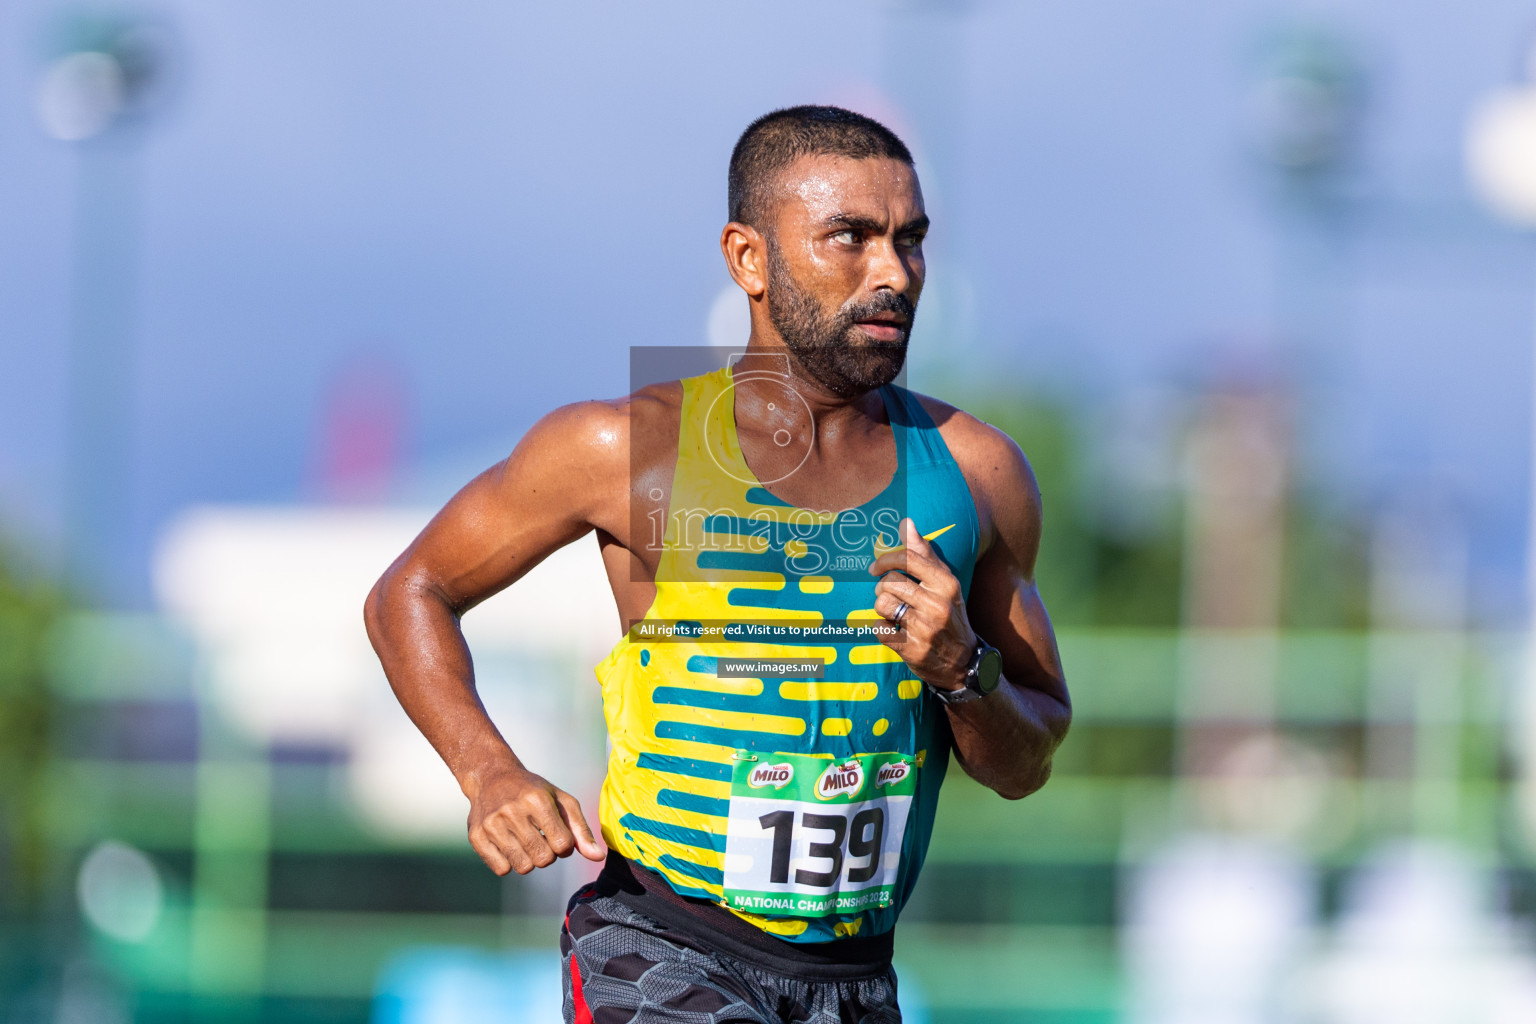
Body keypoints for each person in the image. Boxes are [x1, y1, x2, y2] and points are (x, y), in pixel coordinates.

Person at [365, 104, 1070, 1024]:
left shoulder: (977, 473)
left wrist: (962, 672)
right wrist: (488, 771)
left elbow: (1027, 762)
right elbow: (410, 592)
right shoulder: (626, 447)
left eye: (911, 242)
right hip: (659, 944)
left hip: (856, 977)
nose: (892, 274)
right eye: (849, 239)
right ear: (748, 260)